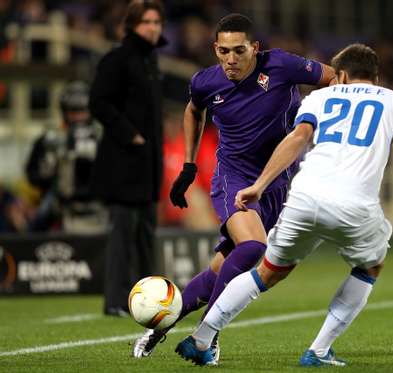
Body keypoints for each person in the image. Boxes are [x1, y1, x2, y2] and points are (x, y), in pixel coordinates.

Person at [173, 43, 393, 366]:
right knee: (370, 265)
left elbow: (297, 139)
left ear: (340, 75)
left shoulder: (319, 97)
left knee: (267, 272)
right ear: (376, 77)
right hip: (354, 205)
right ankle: (319, 350)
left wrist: (259, 185)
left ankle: (203, 337)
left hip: (304, 197)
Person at [132, 13, 335, 358]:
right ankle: (206, 335)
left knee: (218, 271)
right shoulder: (205, 82)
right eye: (223, 51)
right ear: (215, 49)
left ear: (255, 48)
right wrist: (189, 165)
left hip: (276, 184)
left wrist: (323, 121)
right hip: (234, 179)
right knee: (254, 246)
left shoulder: (283, 65)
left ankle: (160, 326)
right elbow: (193, 111)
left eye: (238, 51)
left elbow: (333, 77)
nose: (230, 59)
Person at [89, 0, 166, 317]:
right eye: (147, 21)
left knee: (146, 233)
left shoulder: (151, 60)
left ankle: (146, 298)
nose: (153, 27)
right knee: (122, 233)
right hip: (122, 162)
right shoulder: (117, 58)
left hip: (146, 164)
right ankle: (116, 300)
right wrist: (129, 133)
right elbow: (99, 102)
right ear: (132, 25)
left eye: (157, 22)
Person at [25, 80, 101, 232]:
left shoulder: (102, 137)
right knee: (35, 227)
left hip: (100, 203)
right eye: (73, 112)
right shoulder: (51, 138)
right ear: (65, 112)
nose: (79, 117)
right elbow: (33, 174)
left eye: (83, 111)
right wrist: (51, 166)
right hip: (60, 202)